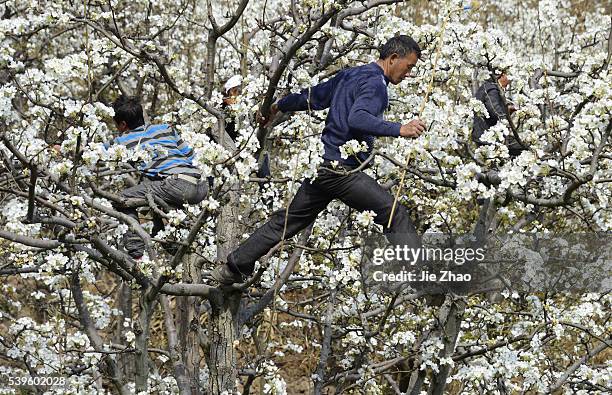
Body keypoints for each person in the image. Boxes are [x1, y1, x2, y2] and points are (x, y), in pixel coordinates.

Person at [211, 35, 426, 284]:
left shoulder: (351, 75)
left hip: (322, 169)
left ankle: (234, 266)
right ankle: (425, 278)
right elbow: (358, 118)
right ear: (393, 58)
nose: (408, 73)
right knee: (393, 213)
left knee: (288, 221)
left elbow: (312, 97)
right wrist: (401, 128)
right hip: (340, 172)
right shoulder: (376, 84)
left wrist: (280, 105)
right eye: (408, 66)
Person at [107, 95, 208, 259]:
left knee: (122, 199)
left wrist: (61, 149)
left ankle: (136, 251)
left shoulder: (123, 141)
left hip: (178, 185)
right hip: (200, 186)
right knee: (156, 196)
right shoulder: (166, 128)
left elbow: (94, 153)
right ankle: (173, 243)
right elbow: (191, 156)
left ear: (123, 124)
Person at [472, 72, 524, 157]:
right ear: (503, 75)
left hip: (486, 134)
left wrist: (508, 110)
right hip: (487, 136)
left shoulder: (488, 86)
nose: (509, 81)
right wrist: (506, 118)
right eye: (509, 77)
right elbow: (494, 110)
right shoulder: (492, 89)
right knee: (523, 148)